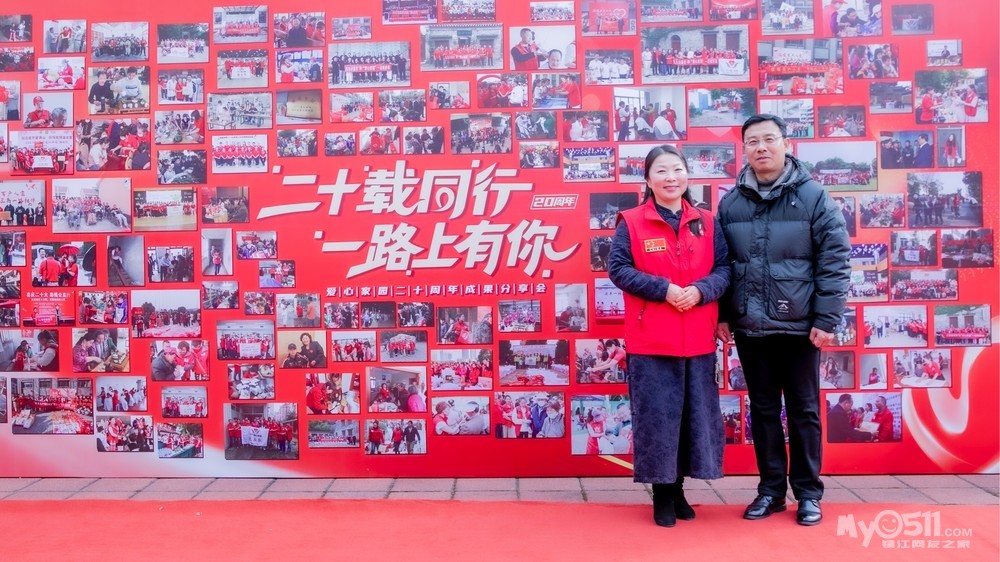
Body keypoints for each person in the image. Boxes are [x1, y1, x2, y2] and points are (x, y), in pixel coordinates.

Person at [717, 114, 851, 526]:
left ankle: (808, 493)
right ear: (744, 148)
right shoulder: (731, 202)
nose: (761, 147)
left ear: (786, 144)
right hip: (750, 327)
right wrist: (724, 315)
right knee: (762, 410)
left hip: (800, 326)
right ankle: (771, 491)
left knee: (803, 410)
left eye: (769, 139)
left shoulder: (814, 197)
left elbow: (835, 260)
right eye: (752, 141)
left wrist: (827, 318)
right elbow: (721, 265)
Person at [608, 144, 731, 527]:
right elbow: (618, 269)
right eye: (661, 171)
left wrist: (700, 291)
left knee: (694, 419)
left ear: (687, 175)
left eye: (677, 169)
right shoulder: (631, 221)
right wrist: (664, 290)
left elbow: (725, 268)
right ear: (648, 179)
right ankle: (662, 494)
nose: (670, 177)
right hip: (652, 340)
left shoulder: (707, 221)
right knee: (658, 420)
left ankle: (679, 490)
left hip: (697, 337)